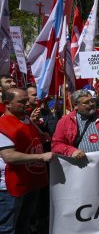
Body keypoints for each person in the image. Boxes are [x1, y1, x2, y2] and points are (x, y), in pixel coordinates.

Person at [0, 88, 53, 234]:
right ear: (7, 103)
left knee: (25, 222)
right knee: (7, 227)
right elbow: (9, 156)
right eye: (21, 102)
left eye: (26, 100)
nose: (27, 105)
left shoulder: (27, 119)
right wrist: (41, 157)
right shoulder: (3, 125)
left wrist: (41, 136)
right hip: (12, 186)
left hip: (30, 182)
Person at [52, 89, 99, 159]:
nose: (91, 104)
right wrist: (71, 151)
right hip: (80, 166)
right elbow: (56, 145)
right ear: (76, 105)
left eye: (92, 100)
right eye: (86, 102)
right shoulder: (65, 122)